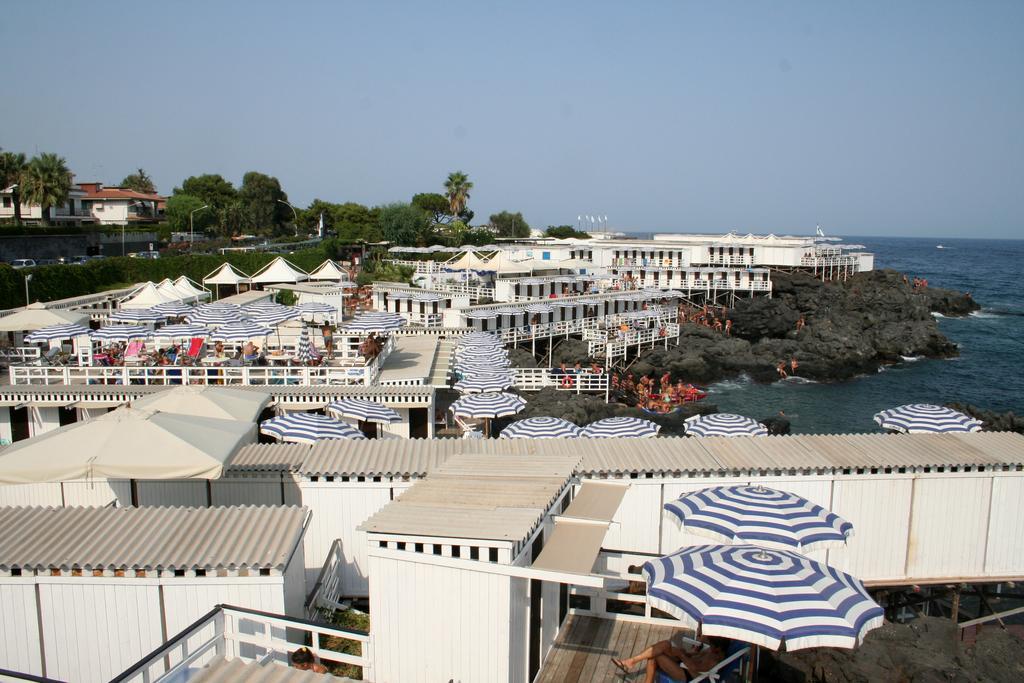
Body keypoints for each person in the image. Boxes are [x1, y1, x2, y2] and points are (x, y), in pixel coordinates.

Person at [613, 635, 730, 682]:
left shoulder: (715, 660)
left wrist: (681, 655)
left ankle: (631, 662)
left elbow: (695, 667)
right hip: (684, 663)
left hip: (688, 675)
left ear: (719, 649)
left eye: (713, 645)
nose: (711, 647)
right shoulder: (712, 651)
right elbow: (694, 658)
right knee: (665, 644)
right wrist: (688, 653)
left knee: (655, 656)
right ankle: (632, 661)